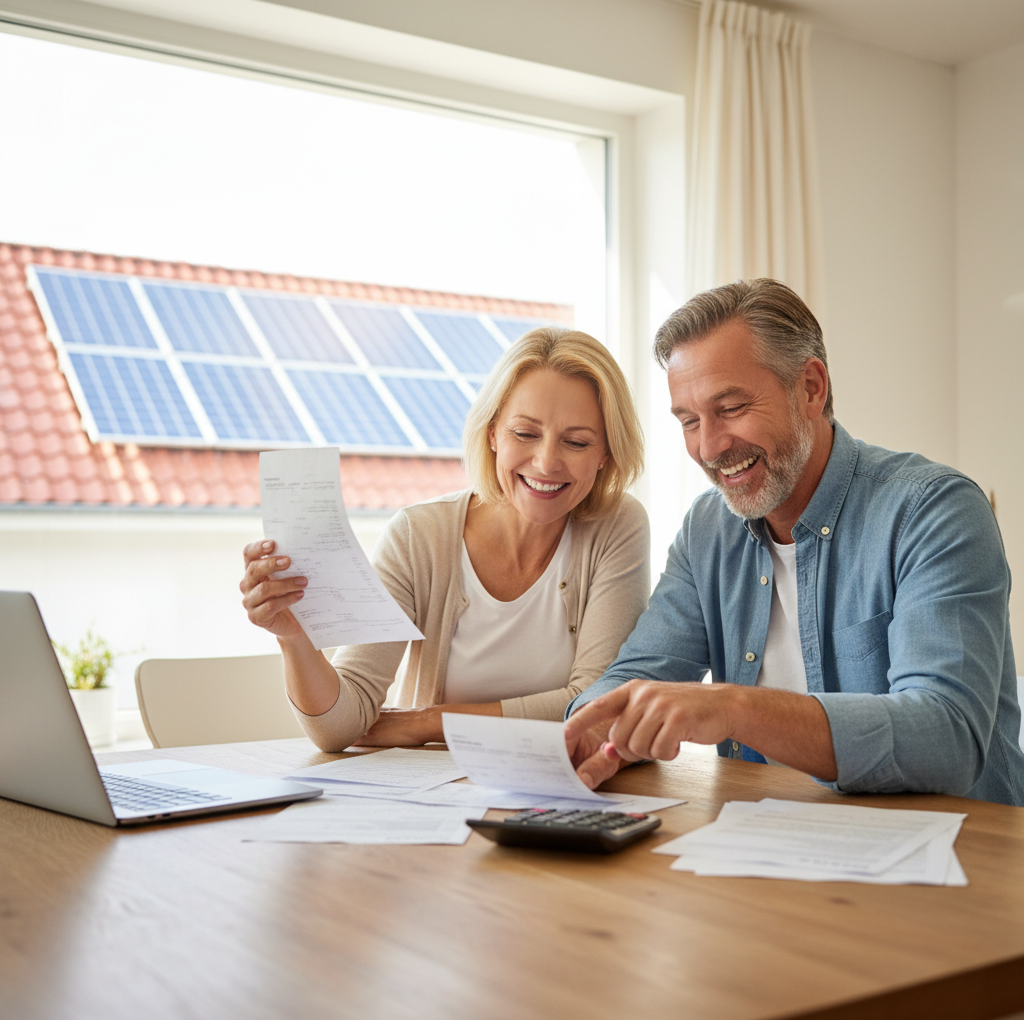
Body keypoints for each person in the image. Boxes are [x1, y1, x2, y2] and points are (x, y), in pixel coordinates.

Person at [565, 279, 1024, 806]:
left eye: (731, 408)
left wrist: (735, 708)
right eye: (689, 421)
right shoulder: (706, 530)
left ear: (810, 387)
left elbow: (947, 738)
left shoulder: (934, 511)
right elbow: (637, 675)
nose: (709, 446)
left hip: (957, 855)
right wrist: (592, 728)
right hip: (772, 847)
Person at [242, 327, 649, 751]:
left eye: (577, 441)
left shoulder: (617, 526)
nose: (546, 462)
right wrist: (293, 638)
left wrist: (428, 722)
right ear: (492, 433)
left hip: (556, 794)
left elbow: (595, 706)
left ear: (606, 454)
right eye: (525, 434)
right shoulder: (419, 537)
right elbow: (338, 730)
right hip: (433, 798)